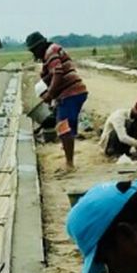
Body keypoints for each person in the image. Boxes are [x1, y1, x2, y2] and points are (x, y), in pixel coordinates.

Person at [26, 31, 89, 172]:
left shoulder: (50, 52)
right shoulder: (50, 53)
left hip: (71, 93)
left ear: (39, 46)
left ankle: (70, 164)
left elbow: (58, 73)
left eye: (34, 51)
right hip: (70, 94)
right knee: (65, 128)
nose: (34, 55)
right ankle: (69, 159)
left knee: (63, 128)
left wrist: (50, 94)